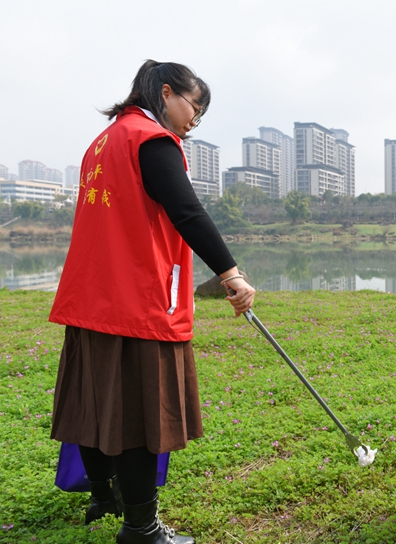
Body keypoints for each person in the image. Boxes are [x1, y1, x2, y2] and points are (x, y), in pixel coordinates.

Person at [49, 60, 255, 544]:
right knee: (136, 417)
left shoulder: (101, 144)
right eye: (194, 107)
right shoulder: (151, 140)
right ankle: (141, 528)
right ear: (166, 93)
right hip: (135, 301)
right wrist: (231, 273)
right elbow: (188, 211)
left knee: (95, 404)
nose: (194, 120)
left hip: (91, 298)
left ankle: (104, 496)